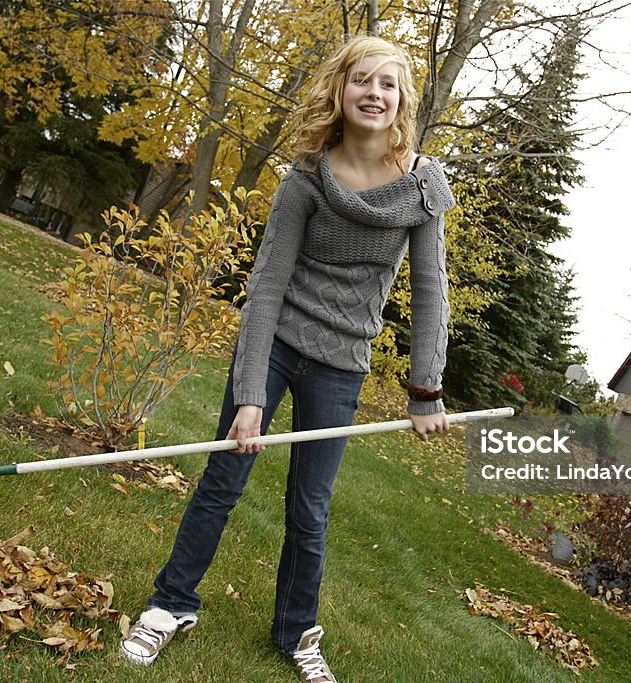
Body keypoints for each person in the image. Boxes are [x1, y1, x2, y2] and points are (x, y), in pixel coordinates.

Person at [120, 34, 455, 683]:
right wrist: (250, 395)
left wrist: (426, 391)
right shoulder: (306, 177)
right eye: (363, 80)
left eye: (388, 84)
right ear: (341, 89)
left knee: (311, 506)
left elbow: (431, 291)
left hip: (341, 361)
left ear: (402, 99)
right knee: (224, 475)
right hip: (276, 342)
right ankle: (170, 603)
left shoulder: (421, 185)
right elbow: (267, 285)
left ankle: (296, 630)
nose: (375, 94)